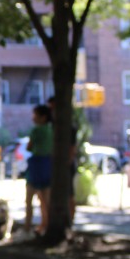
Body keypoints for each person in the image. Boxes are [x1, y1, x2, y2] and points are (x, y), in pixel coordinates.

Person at [48, 96, 79, 224]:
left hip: (66, 165)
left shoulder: (69, 127)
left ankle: (70, 221)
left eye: (53, 108)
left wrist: (68, 161)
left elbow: (73, 147)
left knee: (69, 193)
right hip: (53, 164)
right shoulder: (51, 126)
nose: (51, 111)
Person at [24, 104, 53, 234]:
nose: (33, 118)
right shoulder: (51, 130)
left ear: (43, 117)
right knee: (45, 200)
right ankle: (46, 225)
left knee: (29, 200)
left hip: (36, 165)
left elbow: (29, 147)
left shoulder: (36, 131)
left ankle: (27, 227)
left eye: (35, 115)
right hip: (47, 164)